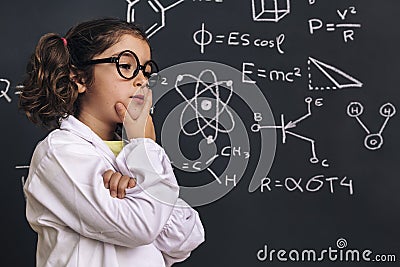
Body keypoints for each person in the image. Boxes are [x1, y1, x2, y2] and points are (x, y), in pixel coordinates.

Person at [19, 17, 205, 267]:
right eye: (126, 66)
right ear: (80, 79)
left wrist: (137, 180)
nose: (141, 80)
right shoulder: (60, 153)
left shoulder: (134, 153)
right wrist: (144, 148)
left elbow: (185, 238)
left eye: (146, 72)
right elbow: (141, 228)